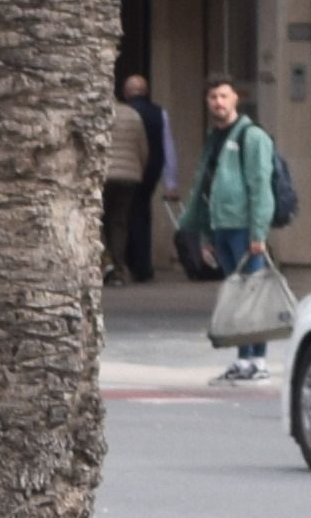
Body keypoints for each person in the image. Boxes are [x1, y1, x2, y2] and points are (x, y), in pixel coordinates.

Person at [184, 77, 290, 382]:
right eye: (213, 96)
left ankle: (257, 360)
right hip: (222, 226)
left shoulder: (252, 137)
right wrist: (206, 235)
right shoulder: (214, 137)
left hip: (245, 228)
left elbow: (260, 186)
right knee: (238, 295)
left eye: (224, 96)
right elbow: (206, 186)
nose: (219, 102)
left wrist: (258, 233)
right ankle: (244, 360)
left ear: (235, 99)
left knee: (253, 295)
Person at [102, 67, 168, 286]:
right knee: (119, 221)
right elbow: (143, 148)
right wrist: (139, 169)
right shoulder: (132, 115)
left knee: (98, 221)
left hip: (104, 175)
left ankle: (106, 262)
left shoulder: (98, 114)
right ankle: (120, 268)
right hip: (130, 177)